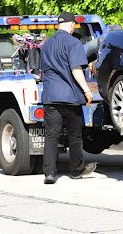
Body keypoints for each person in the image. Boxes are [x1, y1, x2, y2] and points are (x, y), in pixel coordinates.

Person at [40, 12, 96, 184]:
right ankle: (77, 170)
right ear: (72, 24)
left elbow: (44, 71)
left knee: (51, 135)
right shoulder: (74, 43)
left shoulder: (46, 44)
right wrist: (87, 90)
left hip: (50, 96)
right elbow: (76, 70)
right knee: (74, 135)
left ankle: (49, 174)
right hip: (71, 97)